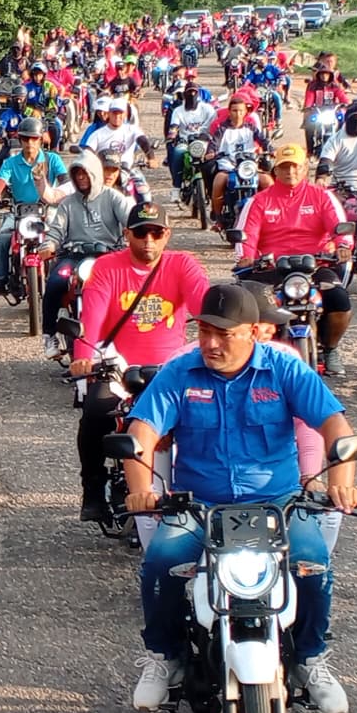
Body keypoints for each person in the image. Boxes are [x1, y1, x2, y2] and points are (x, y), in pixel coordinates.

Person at [123, 285, 357, 713]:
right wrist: (142, 489)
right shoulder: (180, 373)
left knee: (313, 563)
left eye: (225, 334)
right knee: (160, 562)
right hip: (200, 506)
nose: (211, 343)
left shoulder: (286, 370)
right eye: (205, 332)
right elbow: (141, 435)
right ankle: (164, 655)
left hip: (278, 503)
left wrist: (341, 481)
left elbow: (335, 427)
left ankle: (310, 657)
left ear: (255, 331)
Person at [70, 204, 211, 523]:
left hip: (171, 368)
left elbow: (205, 306)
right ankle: (92, 490)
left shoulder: (183, 265)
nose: (149, 240)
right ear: (127, 234)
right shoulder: (107, 268)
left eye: (156, 233)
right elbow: (91, 315)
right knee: (96, 413)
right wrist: (83, 356)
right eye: (141, 233)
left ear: (167, 236)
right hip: (117, 366)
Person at [235, 141, 354, 371]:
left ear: (305, 169)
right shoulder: (259, 201)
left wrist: (343, 245)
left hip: (315, 265)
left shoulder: (322, 197)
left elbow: (339, 226)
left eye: (296, 166)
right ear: (275, 171)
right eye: (285, 167)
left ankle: (330, 348)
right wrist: (247, 256)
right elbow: (246, 234)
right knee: (249, 306)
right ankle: (253, 353)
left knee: (339, 299)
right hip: (271, 267)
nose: (291, 172)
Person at [39, 151, 133, 355]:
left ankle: (133, 335)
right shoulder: (67, 203)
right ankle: (49, 335)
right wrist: (49, 245)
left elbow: (130, 219)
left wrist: (133, 230)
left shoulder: (113, 197)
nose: (81, 177)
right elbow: (56, 230)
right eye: (77, 174)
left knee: (129, 289)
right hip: (74, 256)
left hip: (108, 255)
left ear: (95, 174)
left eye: (85, 173)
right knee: (55, 282)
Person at [0, 122, 70, 294]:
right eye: (25, 138)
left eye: (34, 139)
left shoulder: (52, 159)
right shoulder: (10, 163)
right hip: (18, 211)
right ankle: (1, 278)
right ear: (19, 139)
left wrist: (64, 194)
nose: (30, 143)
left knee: (60, 236)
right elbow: (0, 183)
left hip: (47, 210)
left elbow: (65, 181)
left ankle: (63, 276)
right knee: (3, 238)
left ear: (41, 139)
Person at [204, 93, 268, 223]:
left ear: (246, 112)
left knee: (268, 182)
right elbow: (214, 143)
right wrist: (211, 152)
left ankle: (270, 215)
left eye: (240, 111)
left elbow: (263, 140)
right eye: (234, 111)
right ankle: (218, 218)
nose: (237, 114)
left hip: (249, 166)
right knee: (218, 183)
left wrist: (271, 150)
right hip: (229, 166)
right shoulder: (222, 130)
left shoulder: (252, 129)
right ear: (229, 111)